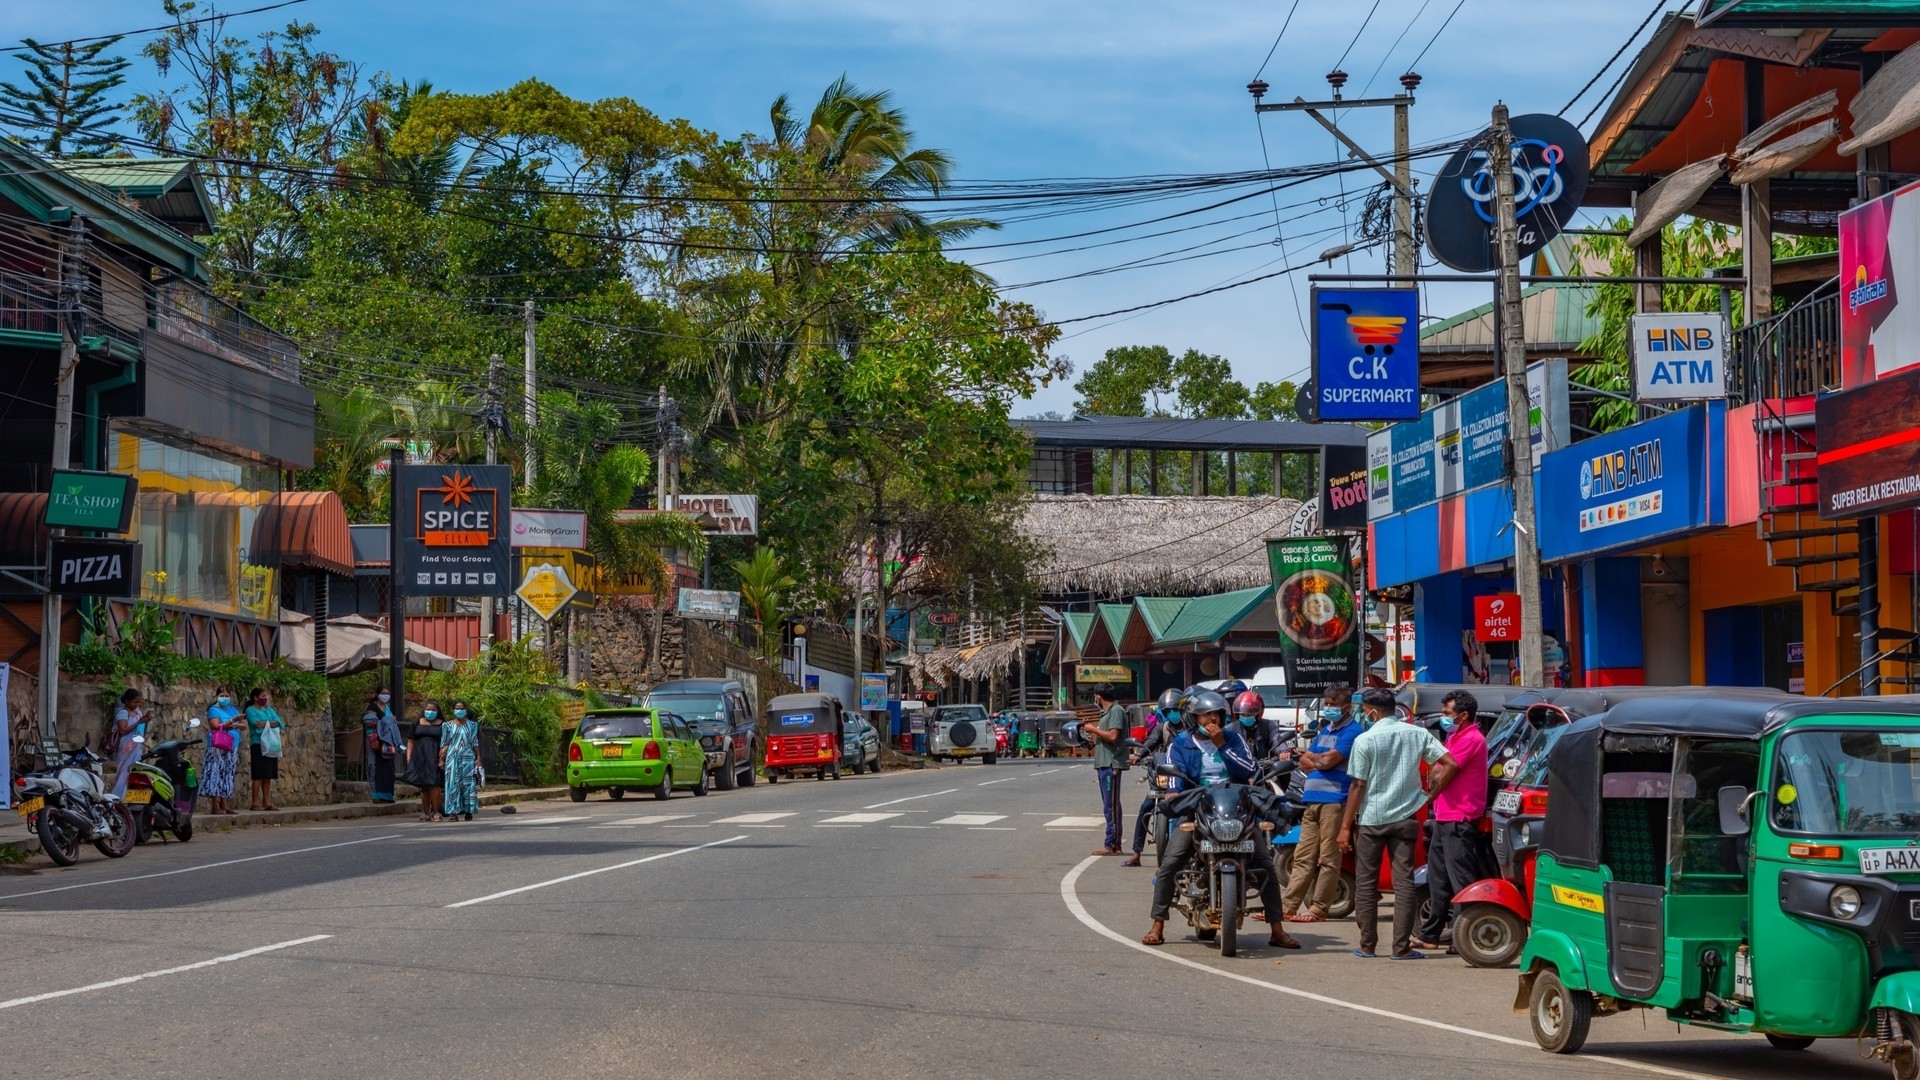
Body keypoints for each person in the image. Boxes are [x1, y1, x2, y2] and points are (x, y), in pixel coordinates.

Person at [1141, 691, 1300, 950]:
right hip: (1196, 805)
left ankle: (1277, 929)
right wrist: (1173, 790)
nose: (1212, 718)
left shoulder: (1233, 738)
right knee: (1170, 863)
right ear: (1194, 718)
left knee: (1265, 864)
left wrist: (1221, 744)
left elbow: (1249, 770)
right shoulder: (1180, 743)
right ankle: (1157, 924)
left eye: (1217, 714)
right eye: (1206, 715)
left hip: (1235, 805)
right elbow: (1174, 776)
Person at [1339, 686, 1457, 960]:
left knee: (1366, 882)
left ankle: (1367, 946)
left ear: (1372, 711)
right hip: (1405, 817)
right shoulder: (1418, 734)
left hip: (1370, 819)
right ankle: (1401, 947)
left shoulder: (1365, 740)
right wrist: (1432, 794)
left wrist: (1345, 826)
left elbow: (1358, 785)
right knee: (1403, 882)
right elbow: (1449, 764)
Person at [1414, 689, 1493, 952]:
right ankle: (1431, 934)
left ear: (1463, 715)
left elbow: (1445, 768)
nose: (1444, 717)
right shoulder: (1454, 736)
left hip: (1460, 816)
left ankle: (1463, 937)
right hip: (1444, 816)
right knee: (1438, 878)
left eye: (1448, 713)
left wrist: (1432, 791)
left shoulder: (1471, 738)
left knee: (1462, 880)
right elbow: (1437, 767)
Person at [1280, 684, 1363, 924]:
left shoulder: (1352, 731)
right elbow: (1305, 761)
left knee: (1328, 858)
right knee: (1302, 857)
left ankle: (1318, 908)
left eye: (1333, 704)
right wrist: (1318, 760)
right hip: (1312, 802)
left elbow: (1325, 760)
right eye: (1327, 703)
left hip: (1335, 802)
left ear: (1346, 706)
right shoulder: (1325, 729)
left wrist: (1315, 759)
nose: (1328, 708)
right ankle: (1288, 907)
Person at [1122, 691, 1185, 867]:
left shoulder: (1190, 729)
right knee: (1145, 809)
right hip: (1163, 777)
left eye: (1175, 709)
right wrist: (1138, 754)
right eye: (1168, 710)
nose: (1172, 713)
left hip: (1182, 778)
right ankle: (1136, 853)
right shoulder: (1161, 728)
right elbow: (1151, 742)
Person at [1084, 684, 1130, 855]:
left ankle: (1112, 844)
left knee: (1111, 806)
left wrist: (1093, 728)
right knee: (1109, 805)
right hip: (1104, 763)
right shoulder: (1105, 714)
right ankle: (1113, 843)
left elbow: (1113, 736)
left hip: (1112, 764)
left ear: (1098, 696)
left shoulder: (1116, 710)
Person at [203, 684, 243, 815]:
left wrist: (231, 723)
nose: (224, 698)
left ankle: (224, 804)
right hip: (217, 745)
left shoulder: (233, 709)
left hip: (232, 744)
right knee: (215, 771)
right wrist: (233, 722)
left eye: (227, 696)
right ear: (217, 697)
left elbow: (243, 725)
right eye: (222, 696)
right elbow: (215, 725)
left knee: (228, 773)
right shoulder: (213, 710)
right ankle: (215, 805)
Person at [405, 701, 445, 822]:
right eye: (428, 709)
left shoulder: (443, 725)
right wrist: (409, 757)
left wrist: (442, 757)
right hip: (420, 756)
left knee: (434, 784)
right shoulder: (417, 722)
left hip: (435, 755)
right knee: (424, 786)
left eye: (433, 710)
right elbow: (411, 741)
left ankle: (436, 811)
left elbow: (447, 741)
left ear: (438, 711)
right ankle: (426, 812)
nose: (430, 712)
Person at [246, 687, 285, 811]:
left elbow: (280, 722)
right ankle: (255, 802)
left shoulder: (269, 710)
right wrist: (271, 723)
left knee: (268, 774)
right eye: (262, 696)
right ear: (255, 698)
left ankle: (266, 802)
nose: (265, 698)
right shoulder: (250, 710)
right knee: (258, 774)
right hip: (258, 744)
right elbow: (256, 724)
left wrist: (266, 723)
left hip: (270, 745)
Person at [440, 700, 480, 822]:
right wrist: (441, 760)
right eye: (457, 708)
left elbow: (474, 742)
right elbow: (444, 743)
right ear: (453, 710)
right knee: (452, 784)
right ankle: (453, 813)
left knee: (468, 784)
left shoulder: (472, 725)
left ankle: (468, 811)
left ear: (466, 710)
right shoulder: (447, 725)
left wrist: (479, 758)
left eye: (462, 708)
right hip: (452, 757)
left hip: (468, 757)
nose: (459, 710)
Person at [362, 687, 402, 804]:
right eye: (383, 693)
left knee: (388, 768)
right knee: (373, 766)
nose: (385, 695)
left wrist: (390, 721)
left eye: (387, 693)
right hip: (376, 742)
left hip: (387, 743)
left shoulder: (387, 708)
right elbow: (369, 722)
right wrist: (386, 720)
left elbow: (390, 723)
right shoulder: (373, 707)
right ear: (377, 694)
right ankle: (375, 794)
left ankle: (388, 795)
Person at [108, 688, 146, 799]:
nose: (136, 704)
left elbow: (139, 730)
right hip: (126, 749)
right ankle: (118, 798)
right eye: (134, 702)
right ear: (127, 701)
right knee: (123, 775)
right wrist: (139, 722)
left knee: (134, 774)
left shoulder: (137, 712)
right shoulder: (123, 713)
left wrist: (145, 720)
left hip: (137, 748)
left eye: (138, 702)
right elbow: (123, 730)